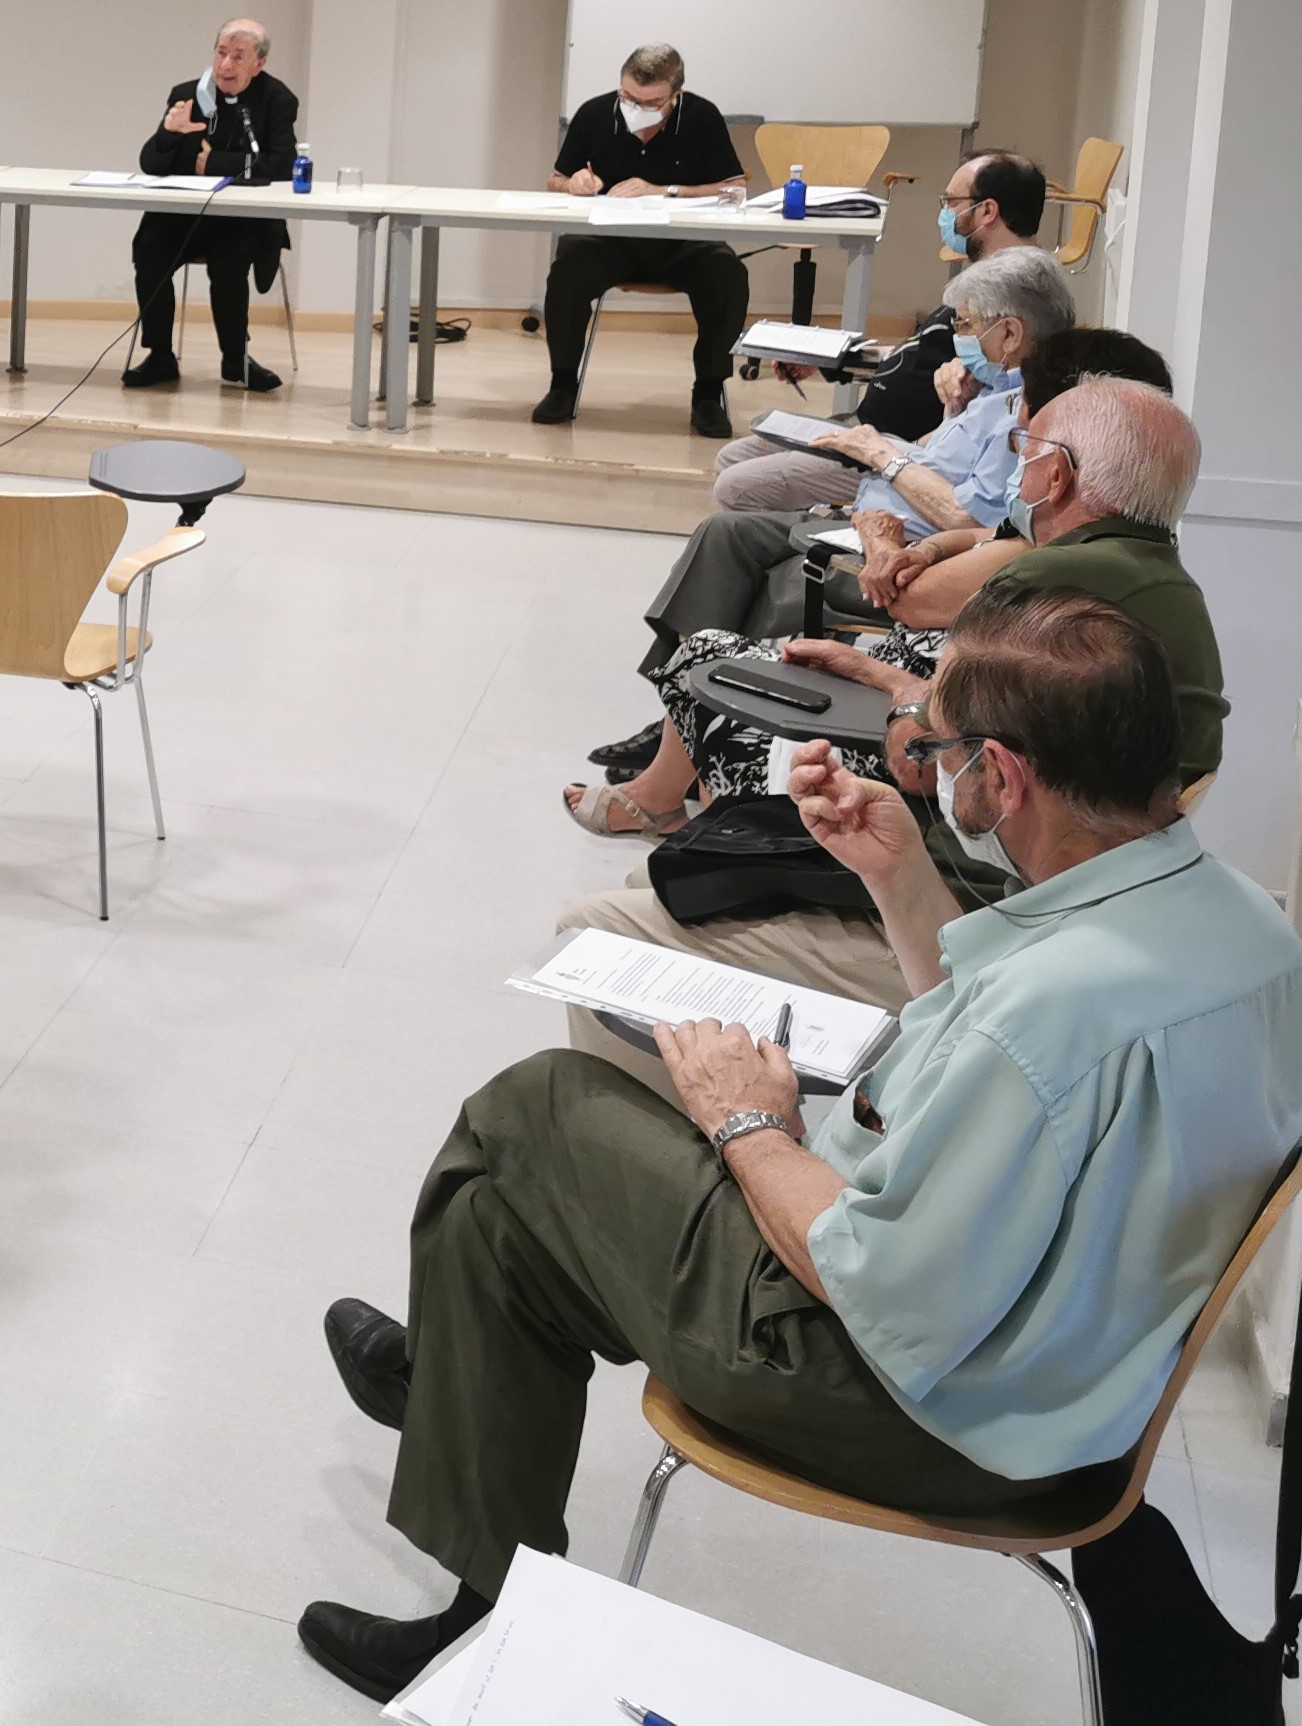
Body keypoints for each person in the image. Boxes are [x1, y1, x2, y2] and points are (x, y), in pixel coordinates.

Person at [298, 585, 1302, 1702]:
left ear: (1004, 777)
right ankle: (466, 1500)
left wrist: (746, 1124)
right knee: (499, 1223)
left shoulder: (1048, 1016)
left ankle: (470, 1557)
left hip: (926, 1412)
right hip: (1075, 1372)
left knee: (531, 1109)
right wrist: (898, 875)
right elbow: (1007, 1053)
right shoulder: (1245, 929)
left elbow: (875, 1278)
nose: (934, 772)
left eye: (944, 751)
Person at [552, 375, 1227, 1098]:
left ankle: (717, 1137)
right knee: (668, 875)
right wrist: (894, 681)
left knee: (592, 932)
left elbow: (918, 761)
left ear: (1056, 473)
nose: (1016, 466)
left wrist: (900, 696)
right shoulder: (1164, 587)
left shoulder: (1047, 585)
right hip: (1058, 913)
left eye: (1023, 449)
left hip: (973, 914)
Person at [568, 331, 1177, 850]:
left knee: (707, 656)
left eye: (1027, 444)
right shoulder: (1126, 547)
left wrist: (882, 555)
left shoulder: (1043, 562)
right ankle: (672, 794)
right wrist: (927, 550)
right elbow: (983, 534)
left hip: (910, 742)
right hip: (923, 699)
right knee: (731, 594)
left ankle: (702, 822)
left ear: (1060, 469)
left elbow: (917, 608)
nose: (1018, 452)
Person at [589, 244, 1073, 787]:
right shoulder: (993, 388)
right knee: (724, 536)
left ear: (1009, 335)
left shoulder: (1027, 409)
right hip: (867, 517)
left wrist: (881, 458)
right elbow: (942, 459)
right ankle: (681, 721)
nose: (959, 336)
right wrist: (948, 414)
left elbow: (967, 518)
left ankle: (684, 735)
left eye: (966, 324)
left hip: (896, 545)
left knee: (747, 558)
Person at [710, 152, 1047, 511]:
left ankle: (806, 533)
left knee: (737, 485)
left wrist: (899, 454)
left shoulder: (1013, 299)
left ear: (987, 211)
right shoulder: (984, 281)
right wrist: (830, 361)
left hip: (898, 447)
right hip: (869, 427)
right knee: (733, 457)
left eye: (952, 202)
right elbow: (919, 356)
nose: (945, 214)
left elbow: (983, 413)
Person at [534, 44, 750, 436]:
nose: (637, 108)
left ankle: (708, 392)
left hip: (683, 244)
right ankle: (562, 384)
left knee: (727, 273)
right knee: (567, 270)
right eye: (629, 97)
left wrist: (664, 191)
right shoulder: (595, 113)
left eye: (651, 102)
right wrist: (573, 184)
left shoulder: (702, 116)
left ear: (675, 96)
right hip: (609, 241)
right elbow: (555, 180)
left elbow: (735, 188)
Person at [120, 20, 296, 393]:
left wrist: (215, 163)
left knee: (230, 260)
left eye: (238, 57)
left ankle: (235, 360)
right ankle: (160, 357)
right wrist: (167, 134)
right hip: (183, 217)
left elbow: (282, 166)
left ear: (259, 64)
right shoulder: (187, 95)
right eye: (221, 53)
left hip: (240, 220)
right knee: (150, 249)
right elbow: (150, 164)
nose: (225, 66)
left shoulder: (276, 100)